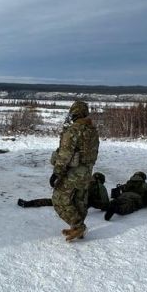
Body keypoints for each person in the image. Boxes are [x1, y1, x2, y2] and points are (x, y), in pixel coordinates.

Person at [49, 100, 100, 241]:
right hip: (87, 172)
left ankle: (78, 226)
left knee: (58, 199)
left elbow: (65, 154)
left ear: (74, 113)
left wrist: (56, 172)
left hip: (73, 173)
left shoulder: (73, 130)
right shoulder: (92, 131)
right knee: (79, 200)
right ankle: (77, 228)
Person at [17, 172, 110, 211]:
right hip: (79, 202)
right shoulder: (101, 188)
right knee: (53, 202)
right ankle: (29, 203)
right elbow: (104, 203)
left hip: (72, 196)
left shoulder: (87, 179)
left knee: (52, 201)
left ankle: (29, 203)